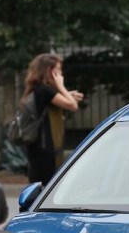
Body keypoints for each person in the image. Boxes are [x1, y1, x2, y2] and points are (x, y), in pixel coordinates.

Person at [22, 53, 84, 184]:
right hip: (45, 149)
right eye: (58, 69)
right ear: (51, 71)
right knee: (46, 185)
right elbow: (72, 106)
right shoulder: (45, 90)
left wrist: (68, 93)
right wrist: (61, 85)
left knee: (41, 184)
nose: (61, 73)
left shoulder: (40, 88)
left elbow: (59, 99)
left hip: (39, 147)